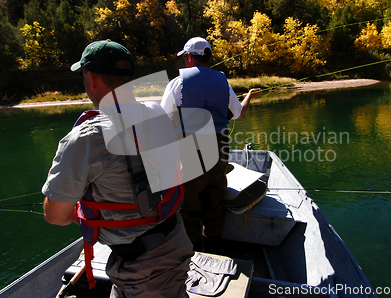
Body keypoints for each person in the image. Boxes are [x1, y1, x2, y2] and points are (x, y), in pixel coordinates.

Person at [42, 39, 193, 298]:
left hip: (143, 267)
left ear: (91, 79)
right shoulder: (157, 113)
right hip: (173, 240)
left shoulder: (86, 139)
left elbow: (55, 215)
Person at [160, 36, 261, 250]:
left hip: (189, 152)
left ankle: (193, 253)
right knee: (215, 201)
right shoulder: (223, 83)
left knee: (188, 206)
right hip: (219, 151)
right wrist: (249, 96)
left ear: (188, 58)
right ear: (208, 58)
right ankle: (214, 248)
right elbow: (239, 113)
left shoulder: (177, 84)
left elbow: (164, 120)